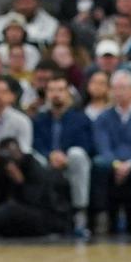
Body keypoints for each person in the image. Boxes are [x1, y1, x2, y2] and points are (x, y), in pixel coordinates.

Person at [31, 75, 94, 235]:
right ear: (46, 94)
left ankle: (80, 212)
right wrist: (50, 155)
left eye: (60, 90)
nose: (56, 94)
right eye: (51, 90)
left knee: (77, 154)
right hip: (46, 161)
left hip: (70, 162)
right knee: (31, 155)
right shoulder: (38, 120)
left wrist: (64, 156)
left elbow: (87, 145)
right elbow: (35, 144)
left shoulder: (81, 118)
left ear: (68, 93)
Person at [92, 70, 131, 233]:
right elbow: (103, 147)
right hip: (111, 161)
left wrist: (129, 165)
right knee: (99, 163)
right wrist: (117, 164)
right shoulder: (103, 117)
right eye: (116, 88)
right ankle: (102, 215)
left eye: (123, 88)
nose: (119, 92)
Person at [0, 137, 63, 238]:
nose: (11, 157)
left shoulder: (32, 165)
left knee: (11, 208)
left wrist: (19, 180)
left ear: (20, 151)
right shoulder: (1, 166)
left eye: (13, 152)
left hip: (41, 216)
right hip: (10, 218)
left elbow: (35, 200)